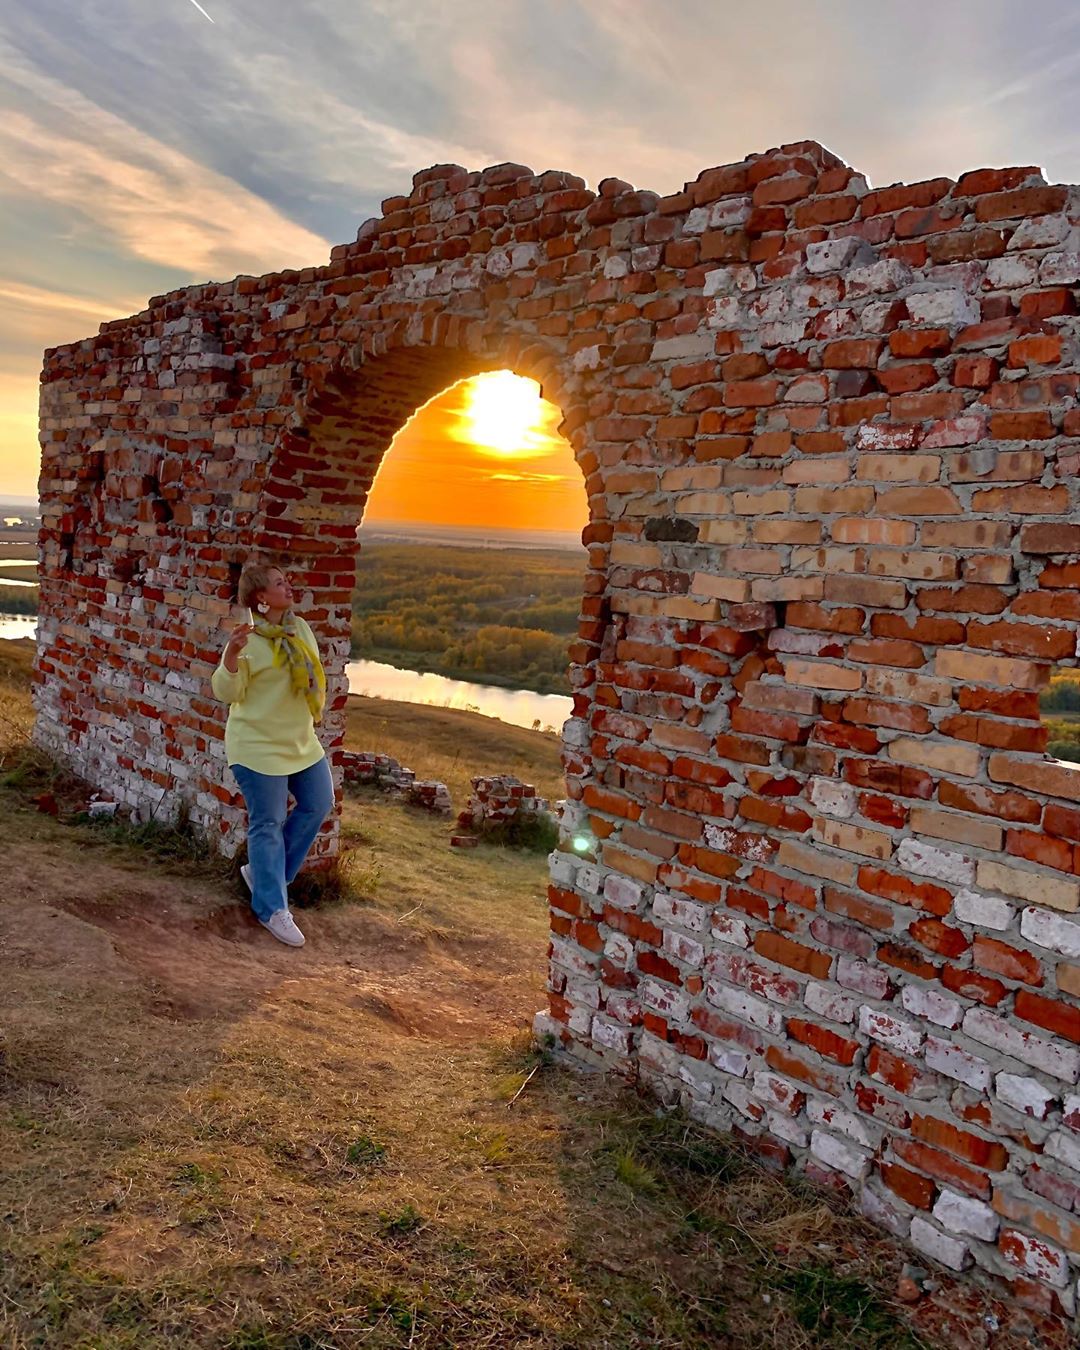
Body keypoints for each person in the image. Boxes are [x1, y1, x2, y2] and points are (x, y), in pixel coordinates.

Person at [211, 561, 334, 947]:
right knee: (268, 822)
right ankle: (271, 909)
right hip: (257, 746)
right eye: (280, 583)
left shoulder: (300, 630)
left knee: (319, 802)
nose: (289, 586)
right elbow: (227, 692)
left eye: (287, 580)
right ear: (261, 597)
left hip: (299, 741)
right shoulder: (248, 640)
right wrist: (231, 657)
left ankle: (267, 878)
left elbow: (311, 676)